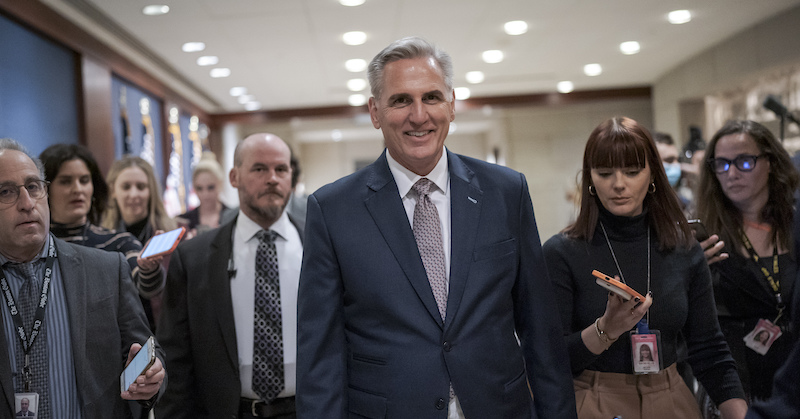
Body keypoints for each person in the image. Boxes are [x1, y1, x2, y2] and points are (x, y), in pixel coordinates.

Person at [296, 36, 576, 418]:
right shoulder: (332, 210)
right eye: (400, 100)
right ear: (375, 112)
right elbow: (320, 356)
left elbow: (541, 331)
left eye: (431, 97)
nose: (419, 115)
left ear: (452, 104)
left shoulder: (506, 192)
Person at [542, 116, 747, 419]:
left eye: (633, 171)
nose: (619, 184)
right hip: (593, 400)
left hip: (672, 395)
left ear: (652, 174)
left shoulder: (683, 248)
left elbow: (710, 350)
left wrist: (740, 412)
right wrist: (605, 330)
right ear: (590, 179)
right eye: (605, 172)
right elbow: (547, 358)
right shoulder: (562, 252)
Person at [0, 138, 165, 418]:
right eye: (6, 192)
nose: (27, 203)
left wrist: (151, 378)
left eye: (33, 187)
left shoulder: (107, 268)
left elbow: (148, 352)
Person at [156, 133, 303, 419]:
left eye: (281, 169)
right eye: (259, 169)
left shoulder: (321, 246)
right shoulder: (193, 258)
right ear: (234, 177)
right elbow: (176, 357)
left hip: (307, 410)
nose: (272, 178)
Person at [695, 119, 799, 402]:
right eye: (722, 164)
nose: (731, 174)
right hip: (736, 386)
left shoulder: (795, 225)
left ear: (771, 163)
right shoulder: (703, 238)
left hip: (792, 377)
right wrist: (690, 273)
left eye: (744, 161)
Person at [38, 144, 164, 302]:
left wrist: (148, 268)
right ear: (45, 189)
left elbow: (147, 288)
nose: (78, 189)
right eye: (65, 181)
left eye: (84, 181)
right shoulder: (33, 246)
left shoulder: (120, 242)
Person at [103, 156, 176, 331]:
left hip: (163, 331)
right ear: (113, 190)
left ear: (151, 191)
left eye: (141, 187)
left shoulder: (172, 234)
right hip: (120, 335)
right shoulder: (102, 238)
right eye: (126, 187)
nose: (134, 194)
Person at [176, 151, 235, 236]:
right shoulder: (183, 222)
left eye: (210, 187)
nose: (205, 194)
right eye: (199, 188)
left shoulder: (233, 218)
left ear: (220, 184)